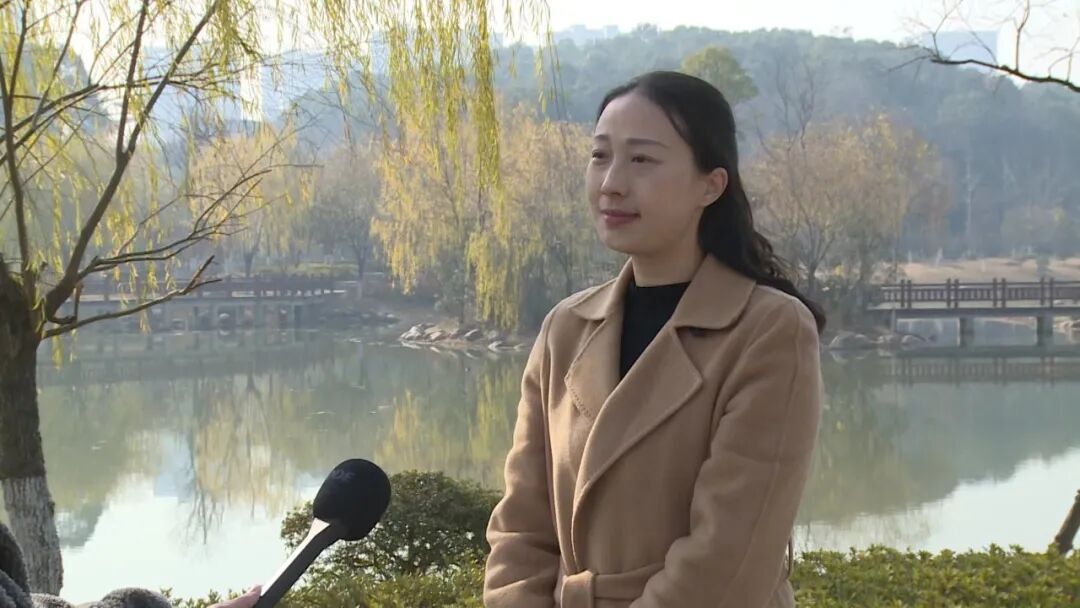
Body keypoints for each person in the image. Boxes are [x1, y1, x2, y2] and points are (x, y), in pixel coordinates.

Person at [483, 71, 825, 608]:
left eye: (642, 159)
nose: (611, 182)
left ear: (711, 185)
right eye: (600, 156)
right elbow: (521, 528)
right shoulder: (565, 329)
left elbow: (729, 561)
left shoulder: (768, 331)